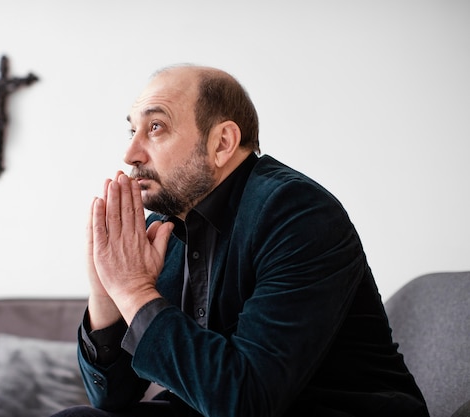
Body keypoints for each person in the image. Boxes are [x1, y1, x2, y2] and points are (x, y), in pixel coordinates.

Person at [52, 64, 429, 417]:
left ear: (222, 143)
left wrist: (134, 290)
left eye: (155, 127)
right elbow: (112, 398)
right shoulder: (165, 228)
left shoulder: (298, 213)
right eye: (132, 131)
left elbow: (245, 402)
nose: (130, 154)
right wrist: (106, 292)